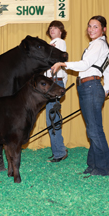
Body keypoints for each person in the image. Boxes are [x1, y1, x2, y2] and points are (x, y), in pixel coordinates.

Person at [51, 15, 109, 176]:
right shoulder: (99, 45)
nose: (91, 29)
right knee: (93, 129)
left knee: (94, 130)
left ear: (103, 29)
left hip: (90, 87)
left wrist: (62, 63)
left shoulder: (99, 44)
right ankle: (93, 165)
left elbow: (85, 65)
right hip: (89, 87)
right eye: (90, 26)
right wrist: (105, 89)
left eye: (95, 26)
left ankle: (103, 168)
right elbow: (107, 69)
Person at [45, 21, 68, 163]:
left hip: (54, 82)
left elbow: (54, 59)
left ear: (61, 31)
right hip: (50, 83)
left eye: (55, 28)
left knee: (52, 118)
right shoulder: (50, 43)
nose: (52, 30)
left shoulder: (59, 42)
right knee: (52, 117)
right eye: (50, 28)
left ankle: (59, 151)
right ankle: (57, 150)